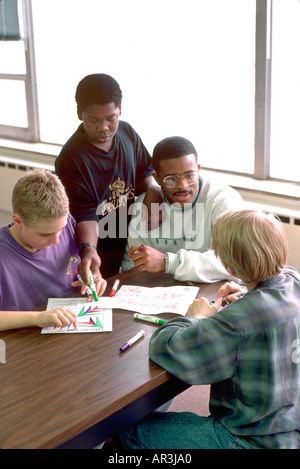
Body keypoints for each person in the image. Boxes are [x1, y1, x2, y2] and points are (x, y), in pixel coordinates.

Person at [119, 209, 300, 449]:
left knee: (129, 431)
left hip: (249, 440)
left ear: (230, 269)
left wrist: (194, 318)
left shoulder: (236, 322)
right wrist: (248, 295)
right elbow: (267, 303)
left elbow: (166, 348)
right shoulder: (293, 279)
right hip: (290, 430)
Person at [55, 73, 161, 281]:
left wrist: (152, 189)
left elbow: (145, 170)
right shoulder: (71, 158)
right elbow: (84, 213)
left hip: (130, 237)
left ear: (120, 110)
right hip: (98, 246)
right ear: (80, 114)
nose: (103, 127)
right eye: (93, 120)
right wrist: (89, 249)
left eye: (111, 118)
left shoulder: (127, 133)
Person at [121, 136, 244, 283]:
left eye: (189, 175)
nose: (182, 186)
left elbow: (236, 263)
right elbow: (131, 268)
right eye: (171, 179)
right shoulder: (145, 207)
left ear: (198, 170)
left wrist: (167, 262)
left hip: (217, 294)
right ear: (157, 178)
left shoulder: (223, 201)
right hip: (161, 296)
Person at [0, 169, 106, 332]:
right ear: (18, 221)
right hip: (24, 342)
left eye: (61, 230)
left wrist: (91, 280)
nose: (56, 240)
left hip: (71, 330)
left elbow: (71, 273)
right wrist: (38, 317)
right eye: (45, 234)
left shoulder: (66, 223)